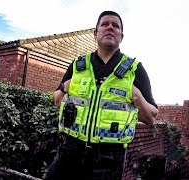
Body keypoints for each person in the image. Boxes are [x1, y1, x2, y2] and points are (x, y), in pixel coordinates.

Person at [44, 11, 159, 180]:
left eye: (116, 25)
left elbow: (151, 118)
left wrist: (136, 96)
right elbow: (57, 101)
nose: (110, 28)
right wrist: (65, 87)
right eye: (105, 24)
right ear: (95, 33)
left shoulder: (134, 69)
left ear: (122, 36)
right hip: (70, 150)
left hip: (108, 159)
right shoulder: (78, 64)